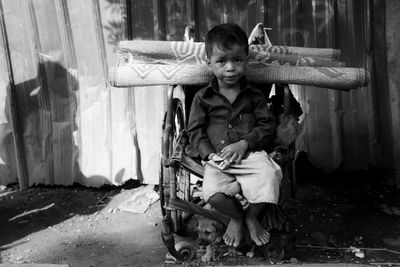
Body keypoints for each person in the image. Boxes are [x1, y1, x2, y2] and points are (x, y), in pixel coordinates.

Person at [187, 23, 282, 248]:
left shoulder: (254, 96)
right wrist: (208, 155)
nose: (230, 68)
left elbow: (267, 124)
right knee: (212, 193)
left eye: (237, 60)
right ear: (209, 63)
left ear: (246, 60)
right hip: (218, 159)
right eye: (221, 61)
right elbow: (195, 130)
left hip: (251, 155)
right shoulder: (203, 97)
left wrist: (244, 143)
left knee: (269, 178)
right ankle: (237, 217)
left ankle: (251, 217)